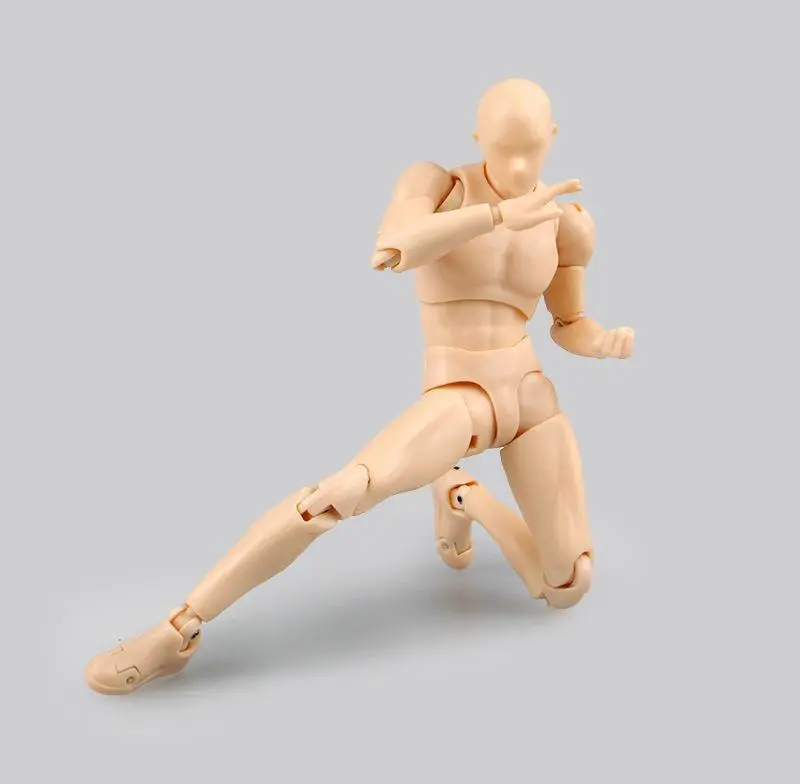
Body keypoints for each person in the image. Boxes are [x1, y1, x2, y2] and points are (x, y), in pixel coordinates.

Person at [85, 77, 634, 695]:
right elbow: (395, 247)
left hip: (531, 394)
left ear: (552, 138)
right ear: (478, 137)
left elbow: (568, 322)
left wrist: (599, 340)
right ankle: (176, 630)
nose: (517, 166)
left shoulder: (567, 223)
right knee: (336, 495)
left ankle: (462, 494)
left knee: (569, 583)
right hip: (461, 394)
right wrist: (497, 214)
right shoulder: (440, 186)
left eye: (530, 149)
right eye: (503, 148)